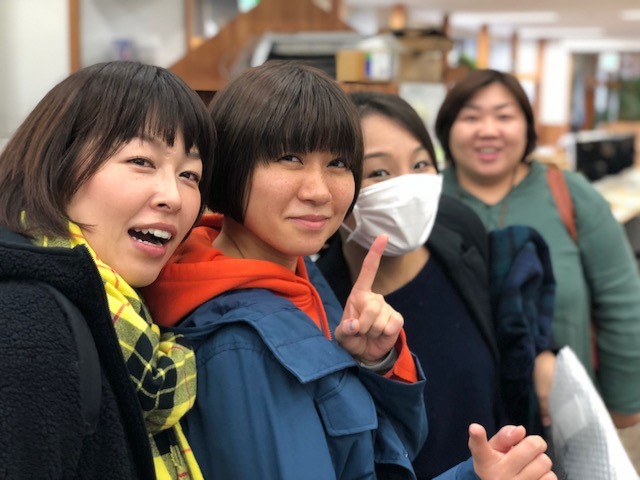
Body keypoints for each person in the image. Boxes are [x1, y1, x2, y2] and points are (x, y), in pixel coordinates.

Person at [143, 61, 556, 480]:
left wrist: (376, 364)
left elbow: (379, 454)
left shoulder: (301, 282)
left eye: (338, 163)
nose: (319, 191)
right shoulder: (240, 343)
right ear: (229, 164)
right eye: (289, 158)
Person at [315, 91, 556, 479]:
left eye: (420, 163)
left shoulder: (458, 235)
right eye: (379, 172)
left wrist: (543, 354)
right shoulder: (320, 308)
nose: (408, 185)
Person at [0, 60, 216, 479]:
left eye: (190, 174)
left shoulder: (136, 318)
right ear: (57, 163)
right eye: (141, 161)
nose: (173, 196)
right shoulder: (24, 321)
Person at [435, 68, 640, 429]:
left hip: (562, 416)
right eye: (471, 117)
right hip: (450, 418)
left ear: (527, 128)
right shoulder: (425, 198)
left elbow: (620, 299)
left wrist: (624, 402)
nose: (488, 130)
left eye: (504, 116)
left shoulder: (570, 193)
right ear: (447, 128)